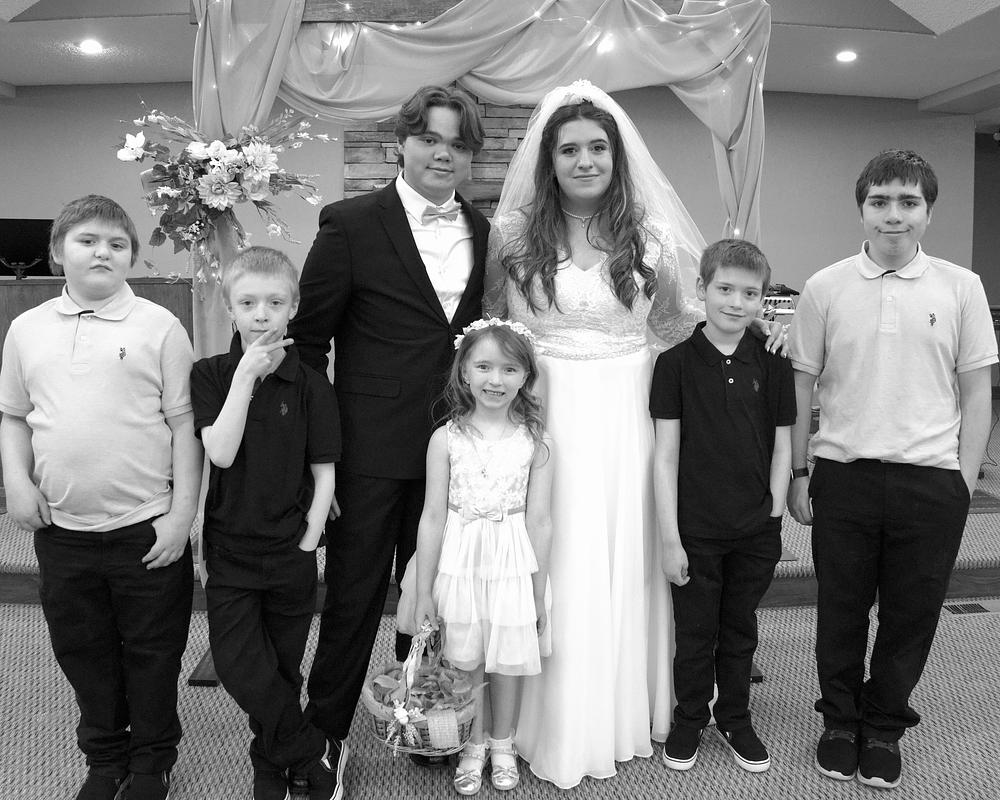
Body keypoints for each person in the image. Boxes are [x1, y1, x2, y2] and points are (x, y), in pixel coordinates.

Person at [485, 80, 785, 789]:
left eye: (598, 148)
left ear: (617, 158)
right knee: (556, 550)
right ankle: (537, 719)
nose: (585, 160)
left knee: (625, 551)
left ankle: (629, 708)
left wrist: (751, 326)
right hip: (549, 407)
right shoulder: (513, 236)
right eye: (569, 150)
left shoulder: (648, 238)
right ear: (548, 160)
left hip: (627, 409)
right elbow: (498, 328)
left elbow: (680, 325)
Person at [288, 85, 490, 783]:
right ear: (399, 143)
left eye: (458, 144)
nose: (443, 154)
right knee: (353, 597)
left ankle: (422, 719)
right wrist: (321, 455)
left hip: (457, 450)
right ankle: (327, 734)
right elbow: (307, 345)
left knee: (435, 595)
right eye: (430, 138)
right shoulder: (349, 223)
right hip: (368, 450)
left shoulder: (486, 232)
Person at [787, 150, 997, 790]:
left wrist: (964, 480)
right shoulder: (825, 287)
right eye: (880, 201)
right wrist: (799, 471)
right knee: (841, 612)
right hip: (843, 473)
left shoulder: (961, 287)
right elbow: (801, 386)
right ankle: (839, 723)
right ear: (862, 209)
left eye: (909, 202)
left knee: (911, 616)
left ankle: (882, 728)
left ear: (928, 212)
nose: (893, 215)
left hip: (931, 481)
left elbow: (978, 392)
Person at [0, 195, 200, 800]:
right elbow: (13, 417)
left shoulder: (160, 327)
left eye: (117, 244)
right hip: (62, 531)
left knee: (154, 653)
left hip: (146, 528)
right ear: (57, 252)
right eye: (87, 240)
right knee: (82, 651)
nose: (102, 252)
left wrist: (181, 517)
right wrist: (17, 482)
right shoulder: (26, 329)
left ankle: (152, 761)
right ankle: (106, 758)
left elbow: (184, 426)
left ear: (132, 257)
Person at [189, 247, 343, 800]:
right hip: (229, 551)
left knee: (282, 667)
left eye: (275, 303)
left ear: (293, 308)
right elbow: (221, 453)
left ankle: (271, 764)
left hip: (288, 555)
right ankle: (308, 747)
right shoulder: (209, 374)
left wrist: (308, 541)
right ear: (229, 307)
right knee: (238, 665)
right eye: (248, 303)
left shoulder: (312, 384)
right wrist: (245, 379)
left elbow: (324, 473)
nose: (261, 314)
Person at [651, 239, 795, 776]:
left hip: (755, 528)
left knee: (740, 630)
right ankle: (690, 717)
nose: (736, 302)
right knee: (694, 634)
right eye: (725, 289)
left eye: (750, 293)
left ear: (763, 299)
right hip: (695, 529)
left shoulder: (774, 361)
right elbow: (665, 456)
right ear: (702, 289)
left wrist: (774, 512)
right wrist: (670, 539)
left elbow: (783, 442)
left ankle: (735, 717)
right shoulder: (673, 365)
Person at [395, 318, 554, 795]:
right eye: (483, 366)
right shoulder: (445, 439)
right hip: (459, 561)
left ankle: (503, 744)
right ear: (463, 371)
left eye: (509, 369)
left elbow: (540, 521)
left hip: (511, 562)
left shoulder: (538, 442)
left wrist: (538, 593)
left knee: (506, 658)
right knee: (465, 659)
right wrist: (425, 588)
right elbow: (431, 516)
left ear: (526, 376)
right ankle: (473, 744)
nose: (495, 380)